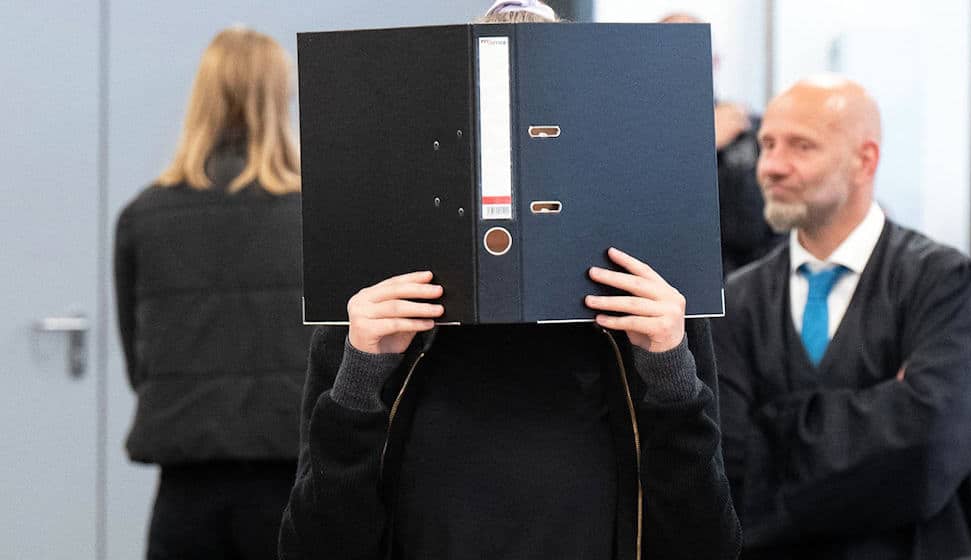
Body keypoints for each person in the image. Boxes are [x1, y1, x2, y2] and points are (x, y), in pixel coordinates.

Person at [278, 2, 741, 559]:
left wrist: (669, 371)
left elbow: (710, 543)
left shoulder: (651, 313)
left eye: (543, 131)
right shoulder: (376, 315)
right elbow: (312, 546)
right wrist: (360, 378)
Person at [713, 75, 971, 558]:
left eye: (801, 146)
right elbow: (728, 465)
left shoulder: (940, 281)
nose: (772, 167)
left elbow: (929, 454)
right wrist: (884, 412)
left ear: (865, 160)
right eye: (767, 144)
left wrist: (774, 434)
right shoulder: (737, 299)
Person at [114, 26, 313, 560]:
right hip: (292, 482)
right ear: (281, 96)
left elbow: (142, 364)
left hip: (186, 489)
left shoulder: (144, 215)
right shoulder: (318, 215)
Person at [661, 12, 784, 276]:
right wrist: (701, 143)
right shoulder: (636, 137)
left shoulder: (750, 129)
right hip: (668, 284)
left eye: (691, 51)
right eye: (669, 51)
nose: (680, 62)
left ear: (714, 61)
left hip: (744, 288)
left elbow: (766, 224)